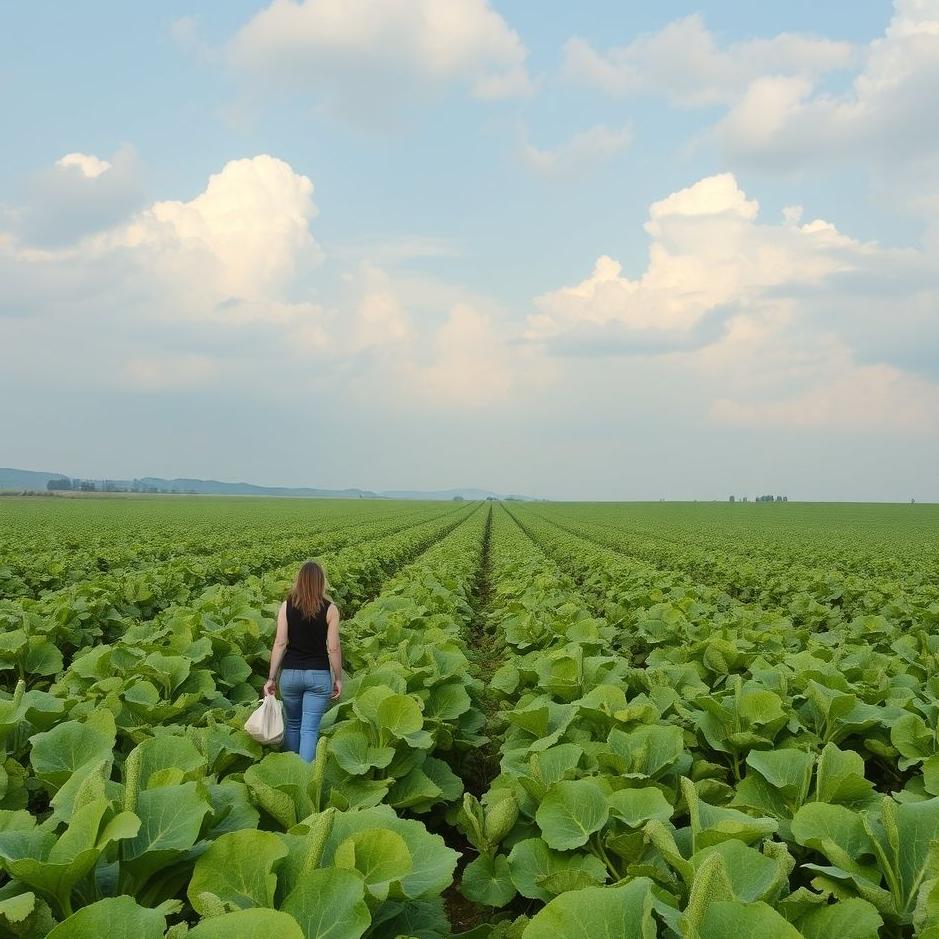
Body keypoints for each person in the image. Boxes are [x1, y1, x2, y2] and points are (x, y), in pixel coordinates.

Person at [263, 560, 342, 761]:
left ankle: (291, 770)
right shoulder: (330, 609)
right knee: (309, 730)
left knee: (293, 724)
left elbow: (280, 643)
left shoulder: (286, 606)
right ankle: (306, 779)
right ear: (321, 582)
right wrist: (338, 678)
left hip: (290, 675)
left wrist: (271, 678)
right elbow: (332, 647)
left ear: (299, 581)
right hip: (318, 675)